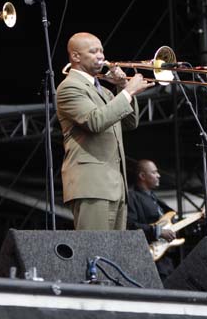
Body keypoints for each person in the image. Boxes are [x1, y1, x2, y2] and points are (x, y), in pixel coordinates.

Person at [56, 32, 153, 230]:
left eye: (101, 50)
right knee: (95, 252)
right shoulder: (69, 87)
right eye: (93, 51)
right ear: (75, 56)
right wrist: (128, 92)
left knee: (112, 257)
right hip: (92, 186)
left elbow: (130, 123)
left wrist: (122, 87)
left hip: (115, 187)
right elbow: (95, 121)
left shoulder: (105, 91)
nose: (101, 56)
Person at [127, 159, 176, 281]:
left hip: (166, 260)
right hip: (148, 260)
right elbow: (130, 226)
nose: (158, 175)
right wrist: (158, 231)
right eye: (154, 172)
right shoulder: (132, 197)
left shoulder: (155, 199)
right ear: (142, 176)